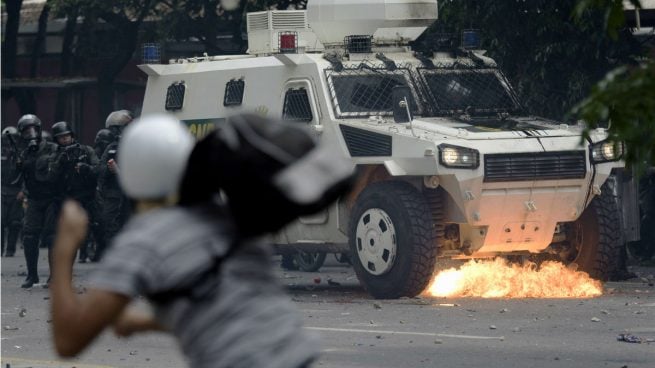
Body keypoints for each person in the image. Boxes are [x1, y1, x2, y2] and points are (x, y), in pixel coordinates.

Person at [50, 114, 354, 368]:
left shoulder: (143, 241)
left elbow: (68, 340)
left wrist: (64, 250)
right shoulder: (231, 217)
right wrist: (145, 321)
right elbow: (224, 306)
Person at [16, 114, 60, 288]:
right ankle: (32, 275)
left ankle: (54, 277)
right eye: (26, 130)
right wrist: (19, 163)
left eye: (33, 129)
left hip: (51, 198)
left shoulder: (52, 148)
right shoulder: (24, 153)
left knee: (52, 237)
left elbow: (56, 170)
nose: (31, 133)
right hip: (34, 199)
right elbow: (16, 176)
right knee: (29, 236)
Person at [51, 121, 104, 263]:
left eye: (66, 136)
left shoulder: (86, 151)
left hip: (88, 196)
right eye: (61, 137)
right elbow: (49, 176)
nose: (64, 139)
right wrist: (59, 163)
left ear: (72, 136)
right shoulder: (54, 153)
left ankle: (93, 251)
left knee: (96, 224)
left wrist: (87, 168)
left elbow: (99, 169)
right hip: (66, 198)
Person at [96, 110, 133, 259]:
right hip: (113, 193)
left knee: (130, 226)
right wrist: (110, 169)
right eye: (113, 129)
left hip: (131, 194)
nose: (115, 132)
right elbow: (100, 168)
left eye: (117, 128)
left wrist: (120, 171)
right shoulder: (111, 147)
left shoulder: (137, 145)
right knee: (108, 223)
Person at [1, 126, 25, 257]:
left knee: (15, 223)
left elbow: (27, 174)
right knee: (0, 221)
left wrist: (23, 190)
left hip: (16, 192)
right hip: (1, 190)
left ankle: (10, 249)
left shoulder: (21, 154)